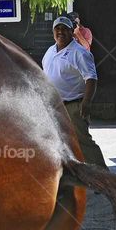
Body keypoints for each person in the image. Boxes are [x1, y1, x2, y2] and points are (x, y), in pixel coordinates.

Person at [42, 16, 108, 168]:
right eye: (57, 29)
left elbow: (91, 78)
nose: (61, 32)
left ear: (72, 32)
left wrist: (86, 102)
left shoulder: (79, 52)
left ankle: (103, 177)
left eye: (65, 29)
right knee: (59, 141)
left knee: (83, 141)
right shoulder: (50, 51)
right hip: (55, 106)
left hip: (74, 106)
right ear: (53, 32)